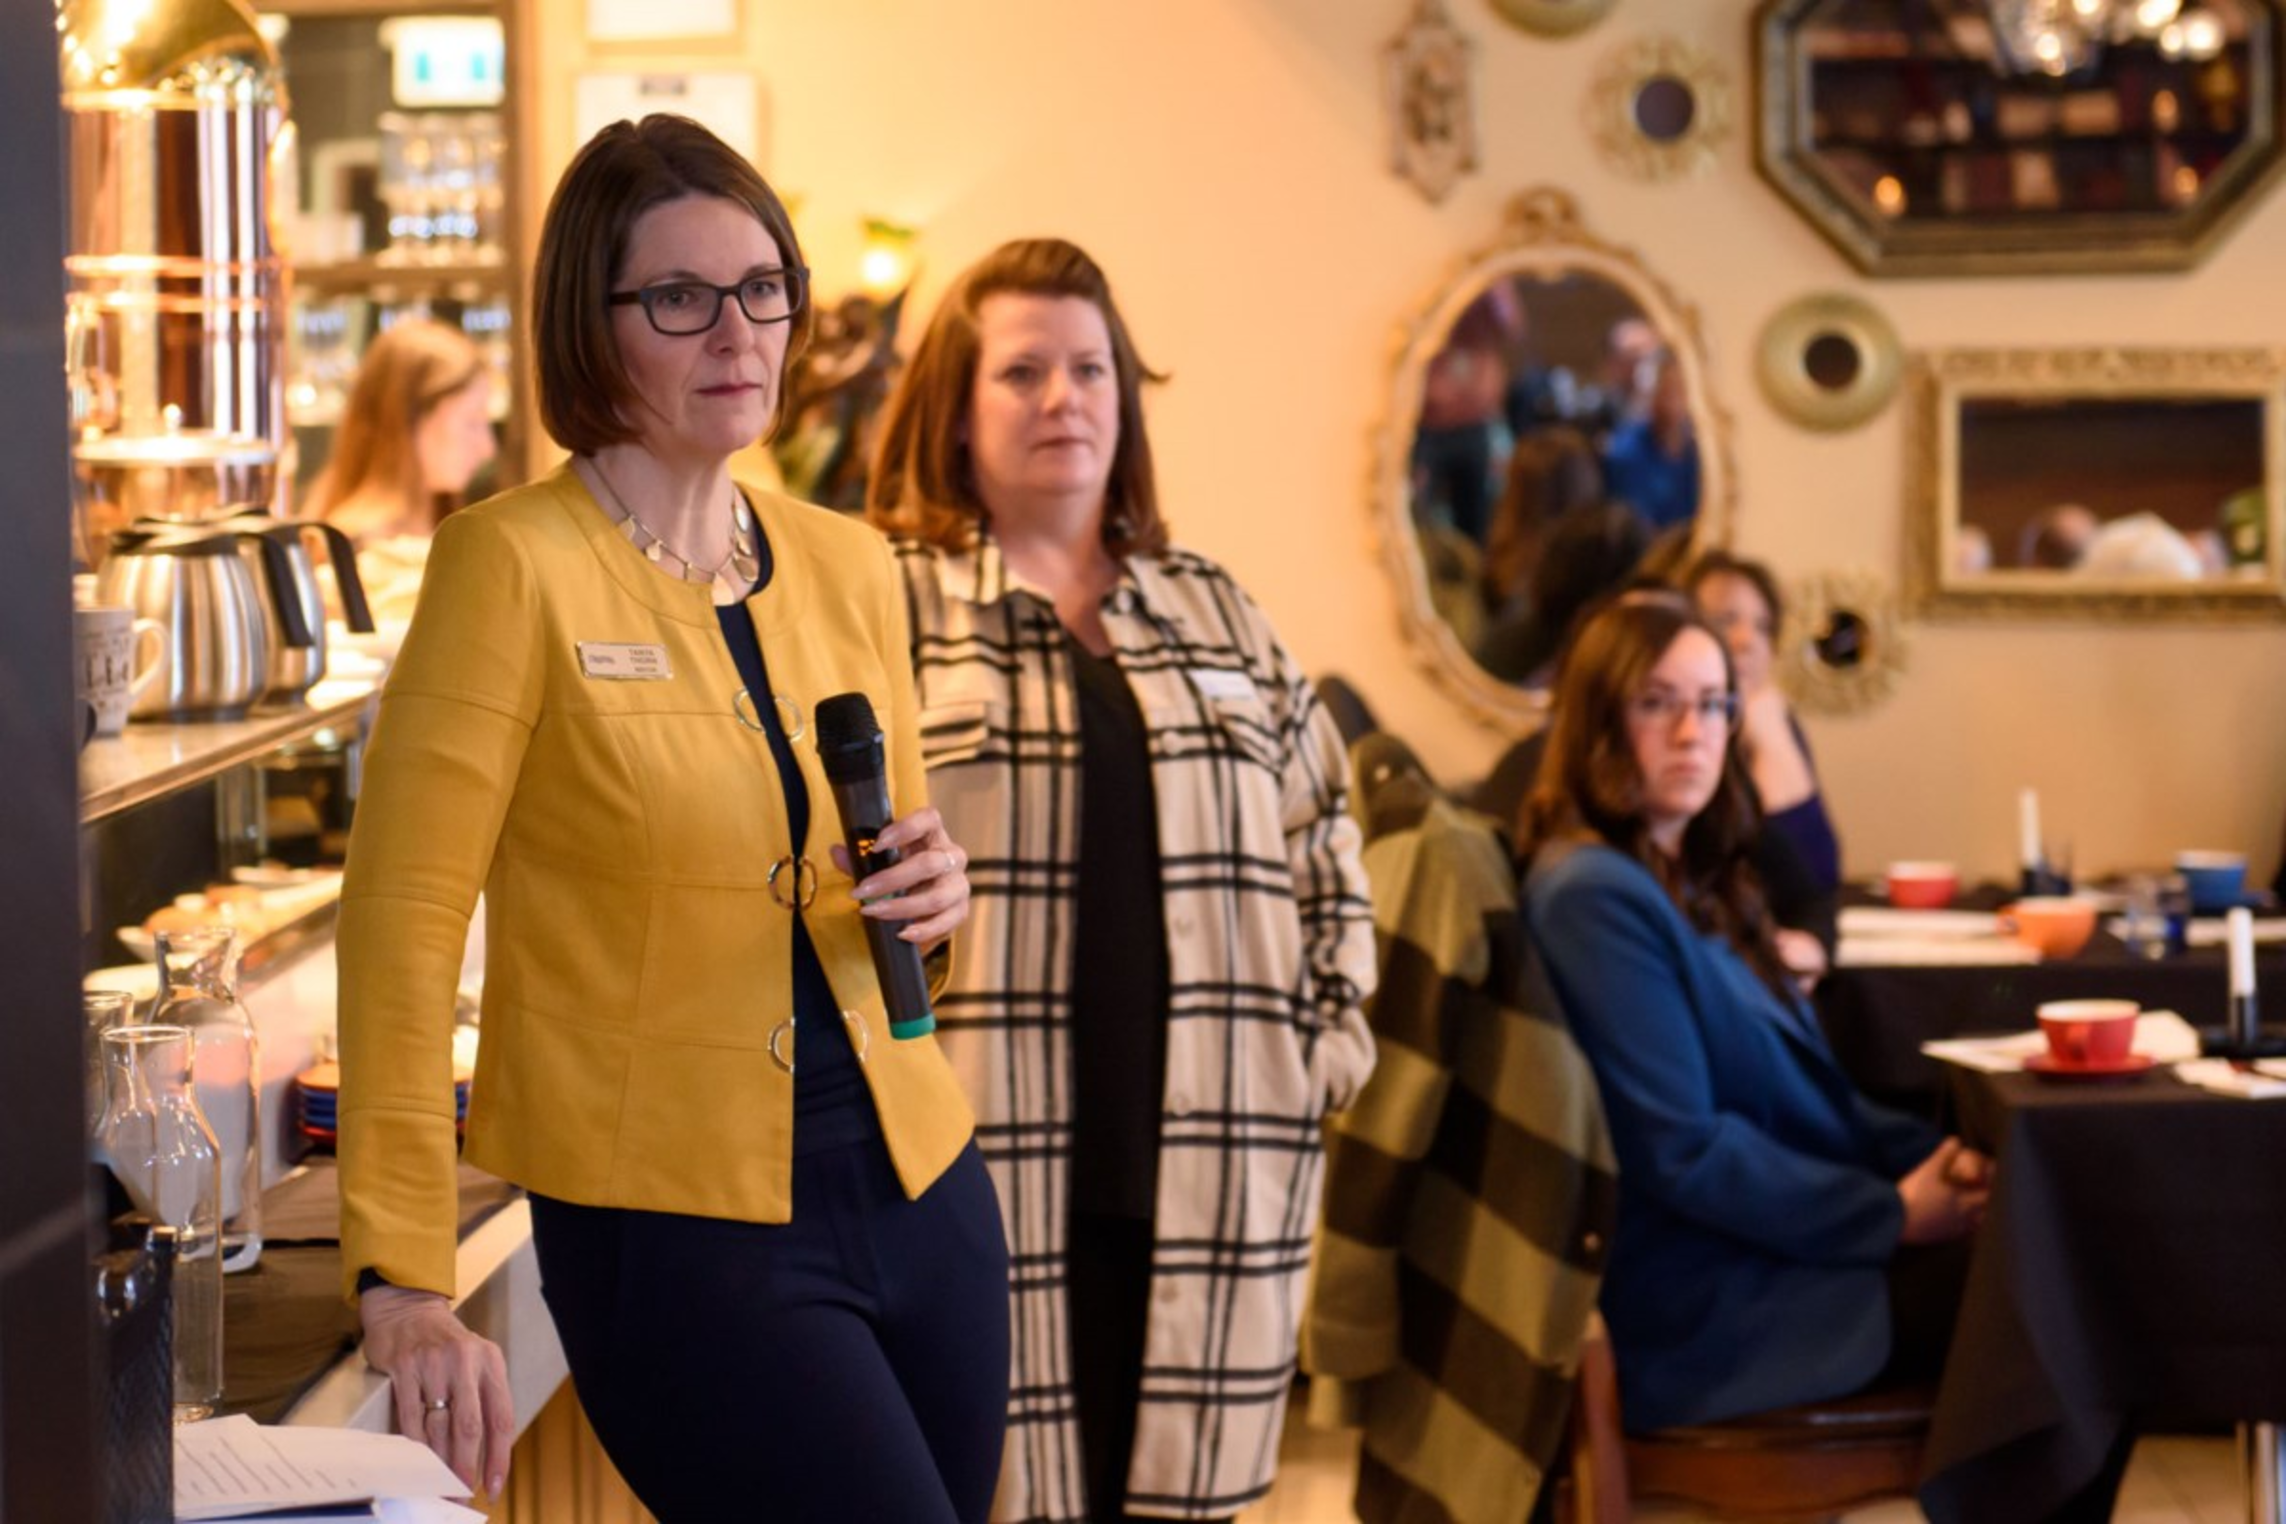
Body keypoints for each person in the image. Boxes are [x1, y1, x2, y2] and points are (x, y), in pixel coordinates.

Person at [334, 114, 1008, 1523]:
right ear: (593, 326)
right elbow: (402, 927)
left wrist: (938, 903)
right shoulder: (507, 566)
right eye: (682, 298)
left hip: (922, 1187)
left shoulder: (847, 562)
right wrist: (401, 1278)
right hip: (678, 1235)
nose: (738, 333)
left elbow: (887, 895)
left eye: (763, 288)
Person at [866, 237, 1378, 1524]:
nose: (1064, 399)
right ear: (955, 408)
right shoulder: (892, 608)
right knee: (993, 1492)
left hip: (1218, 1153)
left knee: (1186, 1499)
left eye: (1090, 369)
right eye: (1022, 371)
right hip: (981, 1159)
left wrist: (1325, 1047)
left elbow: (1326, 834)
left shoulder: (1216, 611)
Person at [1515, 593, 1994, 1435]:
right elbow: (1684, 1151)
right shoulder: (1593, 893)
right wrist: (1891, 1214)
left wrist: (1936, 1161)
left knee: (2049, 1252)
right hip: (1714, 1306)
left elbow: (1819, 1103)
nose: (1692, 733)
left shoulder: (1683, 873)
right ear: (1597, 719)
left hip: (1773, 1253)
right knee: (2058, 1294)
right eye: (1656, 703)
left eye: (1713, 704)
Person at [1685, 550, 1839, 978]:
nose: (1746, 640)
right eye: (1725, 620)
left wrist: (1770, 737)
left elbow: (1819, 880)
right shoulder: (1682, 745)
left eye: (1763, 626)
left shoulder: (1771, 721)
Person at [304, 320, 497, 618]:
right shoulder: (344, 555)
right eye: (471, 421)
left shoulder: (452, 531)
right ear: (409, 422)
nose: (487, 448)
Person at [1601, 349, 1700, 534]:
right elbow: (1633, 525)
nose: (1673, 401)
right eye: (1665, 390)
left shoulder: (1700, 454)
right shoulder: (1625, 452)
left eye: (1679, 390)